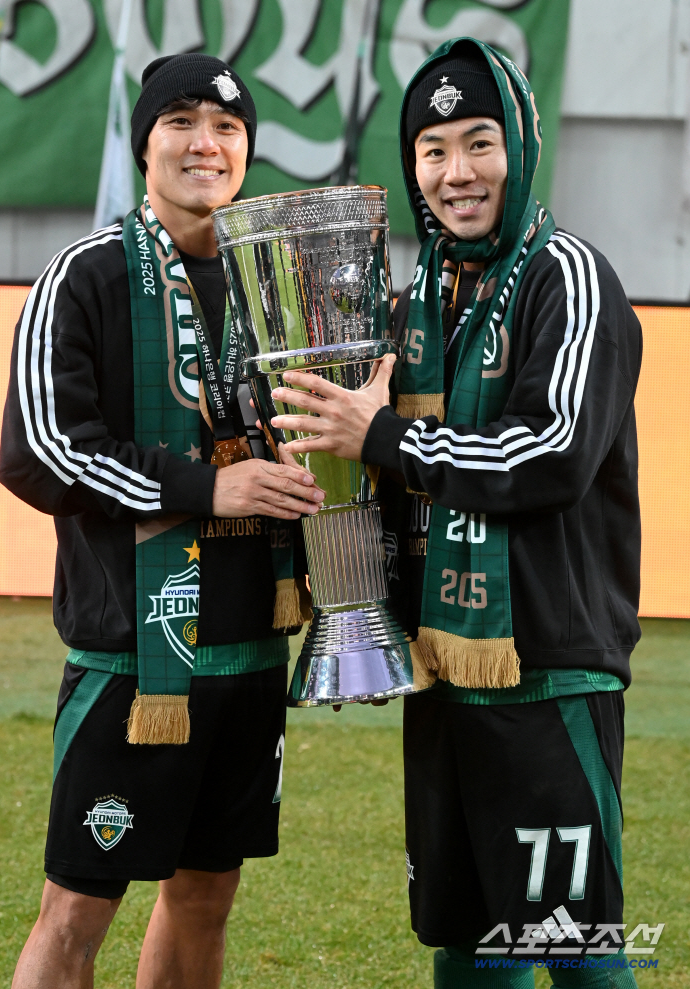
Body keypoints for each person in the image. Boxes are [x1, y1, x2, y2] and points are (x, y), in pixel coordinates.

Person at [270, 37, 642, 989]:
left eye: (480, 142)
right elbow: (376, 472)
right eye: (433, 150)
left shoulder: (571, 277)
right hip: (443, 667)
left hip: (548, 669)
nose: (457, 171)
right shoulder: (416, 305)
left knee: (573, 946)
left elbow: (551, 452)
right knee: (465, 938)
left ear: (521, 146)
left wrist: (382, 436)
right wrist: (355, 606)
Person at [0, 53, 324, 989]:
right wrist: (205, 487)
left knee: (205, 898)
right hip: (132, 657)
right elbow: (40, 450)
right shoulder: (86, 274)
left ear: (248, 149)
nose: (205, 144)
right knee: (77, 910)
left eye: (226, 127)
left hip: (250, 653)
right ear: (145, 144)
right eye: (180, 122)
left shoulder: (280, 282)